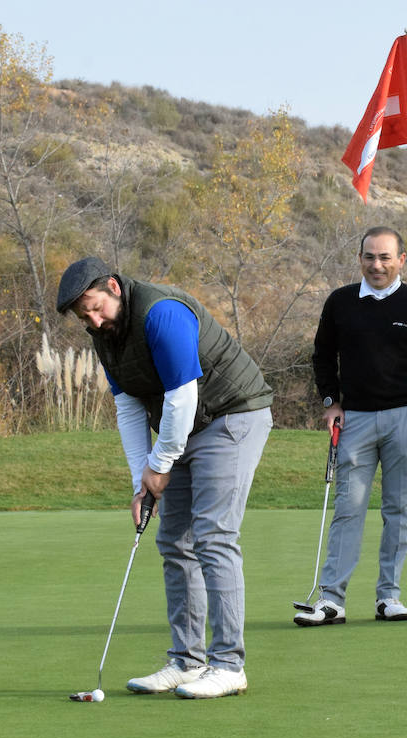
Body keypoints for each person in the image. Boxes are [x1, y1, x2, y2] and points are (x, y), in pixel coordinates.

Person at [57, 257, 273, 698]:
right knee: (174, 540)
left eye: (96, 307)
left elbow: (181, 395)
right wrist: (143, 478)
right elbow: (129, 406)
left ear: (114, 287)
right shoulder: (105, 337)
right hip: (186, 425)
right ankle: (188, 661)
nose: (94, 321)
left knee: (213, 536)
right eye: (85, 316)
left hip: (232, 415)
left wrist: (161, 465)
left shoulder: (161, 313)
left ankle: (229, 664)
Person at [292, 226, 407, 627]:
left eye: (384, 257)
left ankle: (389, 596)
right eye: (369, 256)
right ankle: (332, 600)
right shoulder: (341, 302)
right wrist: (331, 402)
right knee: (349, 507)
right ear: (360, 258)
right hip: (356, 420)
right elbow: (322, 356)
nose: (376, 264)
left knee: (398, 508)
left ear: (402, 259)